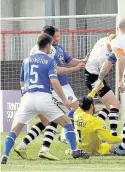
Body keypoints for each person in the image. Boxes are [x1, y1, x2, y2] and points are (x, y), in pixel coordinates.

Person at [1, 33, 89, 164]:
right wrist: (65, 100)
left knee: (15, 130)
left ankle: (4, 155)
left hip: (27, 98)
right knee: (67, 122)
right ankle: (75, 150)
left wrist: (24, 95)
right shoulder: (49, 61)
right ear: (48, 46)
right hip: (43, 97)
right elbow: (54, 81)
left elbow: (21, 82)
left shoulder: (26, 60)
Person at [65, 81, 122, 156]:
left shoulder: (77, 113)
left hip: (79, 147)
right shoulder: (95, 121)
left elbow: (89, 97)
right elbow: (110, 139)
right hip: (94, 151)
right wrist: (123, 138)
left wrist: (95, 90)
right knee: (111, 145)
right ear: (92, 106)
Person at [84, 34, 120, 136]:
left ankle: (94, 129)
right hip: (94, 78)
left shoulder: (102, 39)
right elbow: (104, 70)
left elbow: (91, 50)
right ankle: (113, 134)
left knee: (108, 106)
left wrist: (86, 59)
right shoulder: (104, 56)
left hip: (90, 74)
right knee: (116, 104)